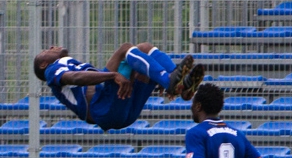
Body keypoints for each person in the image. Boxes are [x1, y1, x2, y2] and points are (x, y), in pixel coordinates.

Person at [33, 43, 205, 131]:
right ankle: (170, 82)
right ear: (43, 64)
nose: (51, 47)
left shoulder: (65, 62)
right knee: (125, 49)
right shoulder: (51, 70)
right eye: (45, 51)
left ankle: (179, 85)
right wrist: (113, 75)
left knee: (144, 48)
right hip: (102, 107)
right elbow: (76, 78)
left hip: (119, 108)